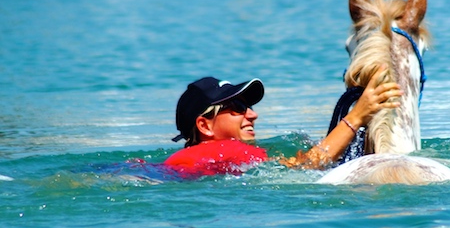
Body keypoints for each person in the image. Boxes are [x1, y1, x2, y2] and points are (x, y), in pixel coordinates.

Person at [163, 69, 401, 179]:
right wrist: (357, 116)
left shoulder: (193, 157)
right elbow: (304, 167)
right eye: (237, 107)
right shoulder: (231, 149)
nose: (252, 115)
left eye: (250, 107)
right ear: (205, 126)